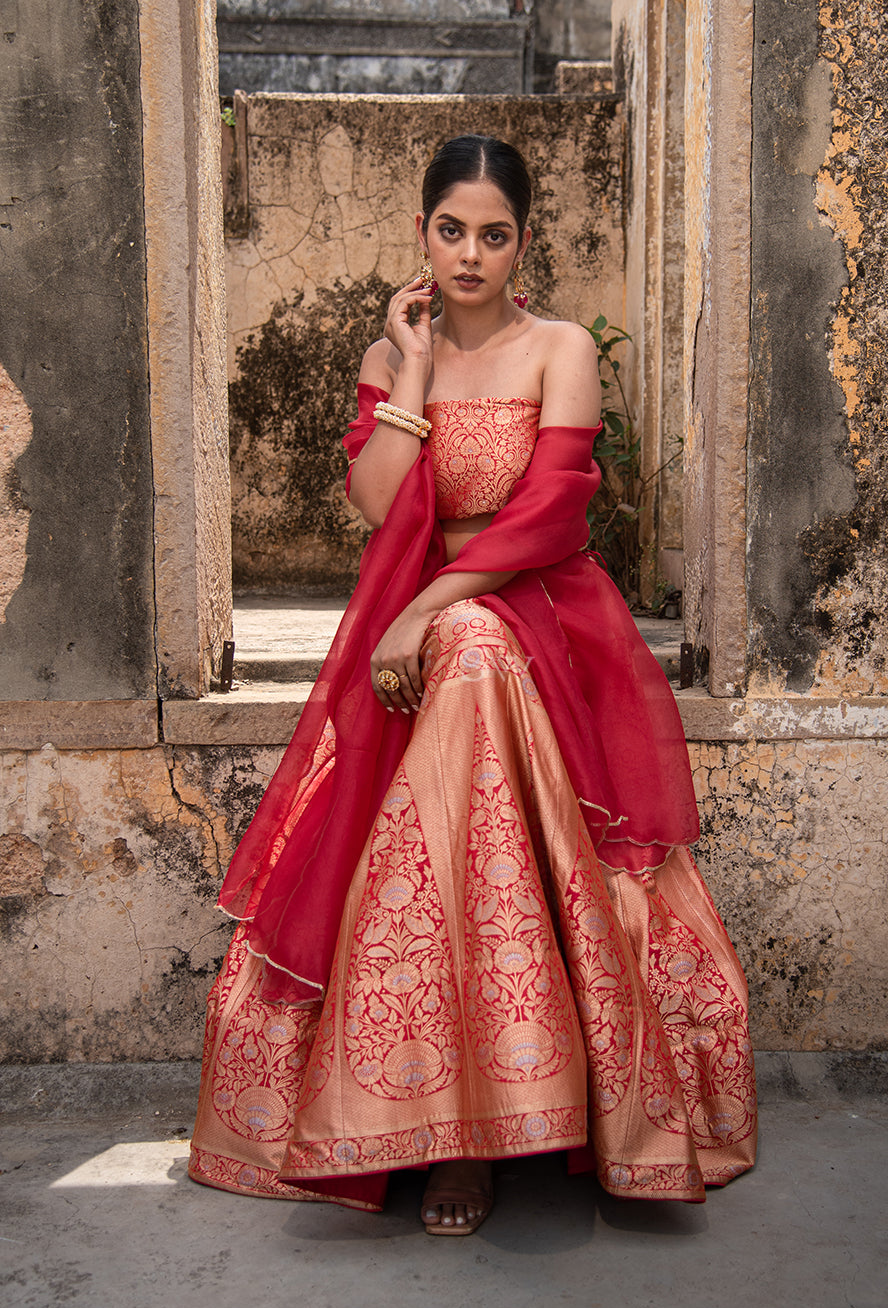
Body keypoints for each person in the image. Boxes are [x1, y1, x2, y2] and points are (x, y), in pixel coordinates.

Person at [188, 134, 756, 1235]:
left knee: (476, 650)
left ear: (521, 243)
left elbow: (549, 517)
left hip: (535, 613)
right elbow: (373, 500)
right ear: (422, 234)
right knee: (462, 658)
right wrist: (409, 372)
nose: (469, 253)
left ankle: (489, 1121)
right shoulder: (390, 355)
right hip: (419, 627)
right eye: (451, 229)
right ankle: (453, 1124)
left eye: (493, 234)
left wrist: (421, 613)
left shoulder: (557, 349)